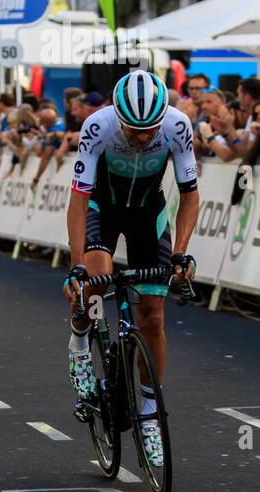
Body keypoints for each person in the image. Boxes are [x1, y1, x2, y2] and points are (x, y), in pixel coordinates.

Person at [62, 70, 200, 468]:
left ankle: (149, 413)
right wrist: (76, 267)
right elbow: (78, 201)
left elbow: (190, 197)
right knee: (93, 284)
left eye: (149, 131)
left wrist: (180, 253)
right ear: (117, 116)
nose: (142, 138)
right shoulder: (97, 126)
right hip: (101, 211)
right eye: (134, 130)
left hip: (147, 215)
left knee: (153, 319)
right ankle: (79, 346)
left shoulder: (178, 125)